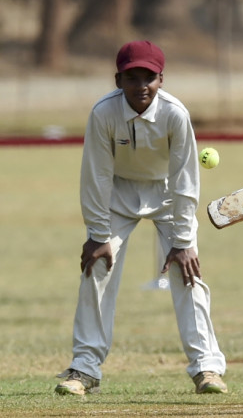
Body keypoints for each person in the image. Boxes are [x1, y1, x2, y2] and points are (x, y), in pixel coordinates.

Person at [55, 40, 227, 396]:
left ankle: (207, 369)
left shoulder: (175, 114)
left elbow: (185, 180)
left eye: (148, 77)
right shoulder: (103, 113)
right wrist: (98, 235)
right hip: (118, 194)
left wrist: (182, 242)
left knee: (187, 272)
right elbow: (96, 176)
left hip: (168, 194)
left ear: (161, 79)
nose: (141, 86)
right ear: (118, 79)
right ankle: (85, 369)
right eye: (132, 77)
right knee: (96, 269)